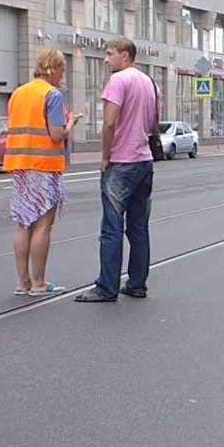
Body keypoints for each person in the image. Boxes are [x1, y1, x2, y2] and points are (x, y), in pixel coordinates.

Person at [75, 37, 156, 303]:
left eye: (109, 54)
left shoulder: (119, 80)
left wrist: (105, 156)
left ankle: (107, 286)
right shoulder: (147, 82)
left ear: (125, 55)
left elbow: (109, 123)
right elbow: (153, 122)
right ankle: (137, 283)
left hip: (121, 161)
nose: (106, 59)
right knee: (139, 227)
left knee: (111, 227)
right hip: (144, 160)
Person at [5, 49, 78, 297]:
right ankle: (38, 283)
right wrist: (70, 124)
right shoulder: (51, 95)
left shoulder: (18, 93)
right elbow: (56, 134)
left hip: (20, 165)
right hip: (44, 166)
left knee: (23, 222)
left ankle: (22, 281)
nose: (62, 77)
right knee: (42, 225)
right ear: (52, 68)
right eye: (61, 71)